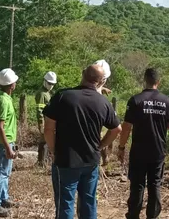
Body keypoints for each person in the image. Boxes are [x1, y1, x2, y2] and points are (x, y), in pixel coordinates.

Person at [43, 65, 122, 219]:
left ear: (83, 74)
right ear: (100, 82)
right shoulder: (103, 102)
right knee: (89, 202)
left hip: (66, 160)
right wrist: (100, 145)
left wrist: (53, 150)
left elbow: (48, 129)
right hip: (91, 161)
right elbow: (117, 129)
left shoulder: (63, 96)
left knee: (65, 203)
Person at [118, 68, 169, 219]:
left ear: (145, 80)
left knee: (137, 184)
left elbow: (126, 128)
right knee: (155, 183)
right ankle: (152, 216)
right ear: (159, 81)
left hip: (138, 151)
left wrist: (121, 147)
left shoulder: (136, 100)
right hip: (158, 150)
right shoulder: (168, 102)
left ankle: (133, 215)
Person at [0, 68, 19, 217]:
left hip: (6, 141)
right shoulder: (2, 100)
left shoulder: (4, 97)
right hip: (3, 142)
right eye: (14, 81)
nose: (16, 83)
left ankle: (3, 198)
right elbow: (0, 126)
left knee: (5, 173)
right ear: (11, 85)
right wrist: (8, 147)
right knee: (0, 173)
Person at [35, 71, 57, 167]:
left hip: (49, 120)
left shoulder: (47, 93)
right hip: (45, 120)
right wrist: (41, 123)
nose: (51, 85)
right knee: (44, 141)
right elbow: (39, 109)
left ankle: (43, 161)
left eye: (52, 84)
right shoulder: (42, 94)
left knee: (45, 141)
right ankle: (41, 162)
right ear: (44, 81)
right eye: (49, 83)